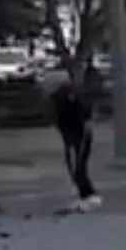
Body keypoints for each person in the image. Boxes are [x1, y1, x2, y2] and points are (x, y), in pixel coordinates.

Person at [50, 70, 100, 209]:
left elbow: (83, 110)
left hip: (78, 133)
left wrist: (86, 121)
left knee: (77, 164)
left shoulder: (67, 95)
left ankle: (86, 193)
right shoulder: (62, 96)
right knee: (76, 164)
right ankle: (85, 192)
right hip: (74, 132)